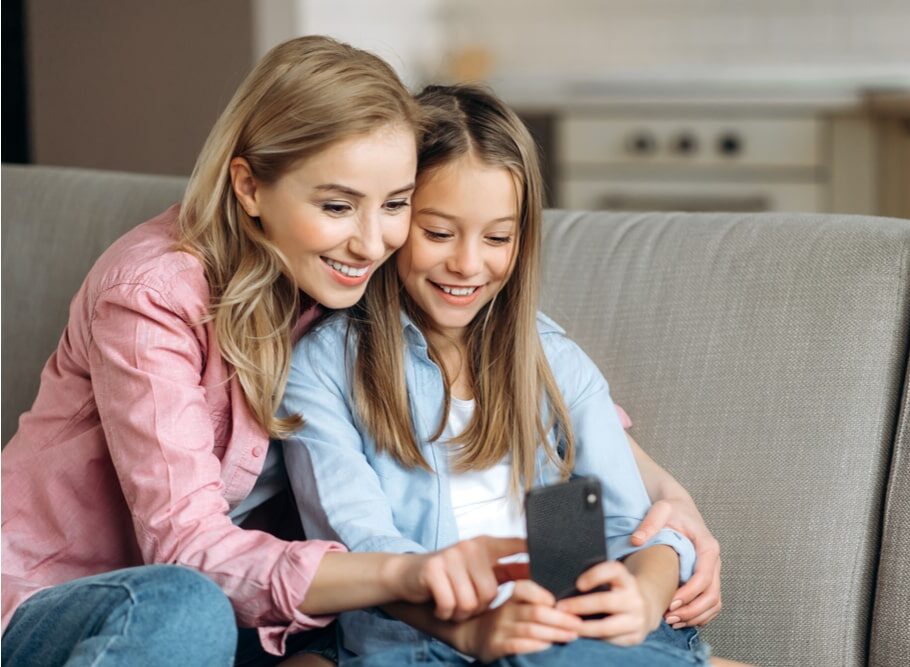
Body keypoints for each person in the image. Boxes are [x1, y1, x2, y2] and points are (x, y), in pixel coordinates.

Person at [0, 37, 527, 667]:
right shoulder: (152, 295)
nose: (370, 242)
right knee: (186, 608)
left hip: (237, 612)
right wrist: (404, 574)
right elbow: (187, 548)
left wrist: (665, 511)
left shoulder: (355, 279)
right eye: (336, 206)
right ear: (249, 186)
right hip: (55, 602)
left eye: (394, 204)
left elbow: (524, 359)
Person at [278, 84, 713, 666]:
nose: (467, 263)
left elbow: (631, 525)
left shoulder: (548, 361)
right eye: (437, 232)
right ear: (396, 214)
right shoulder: (328, 367)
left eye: (498, 238)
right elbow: (365, 547)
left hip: (568, 631)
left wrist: (644, 592)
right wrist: (481, 625)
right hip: (423, 643)